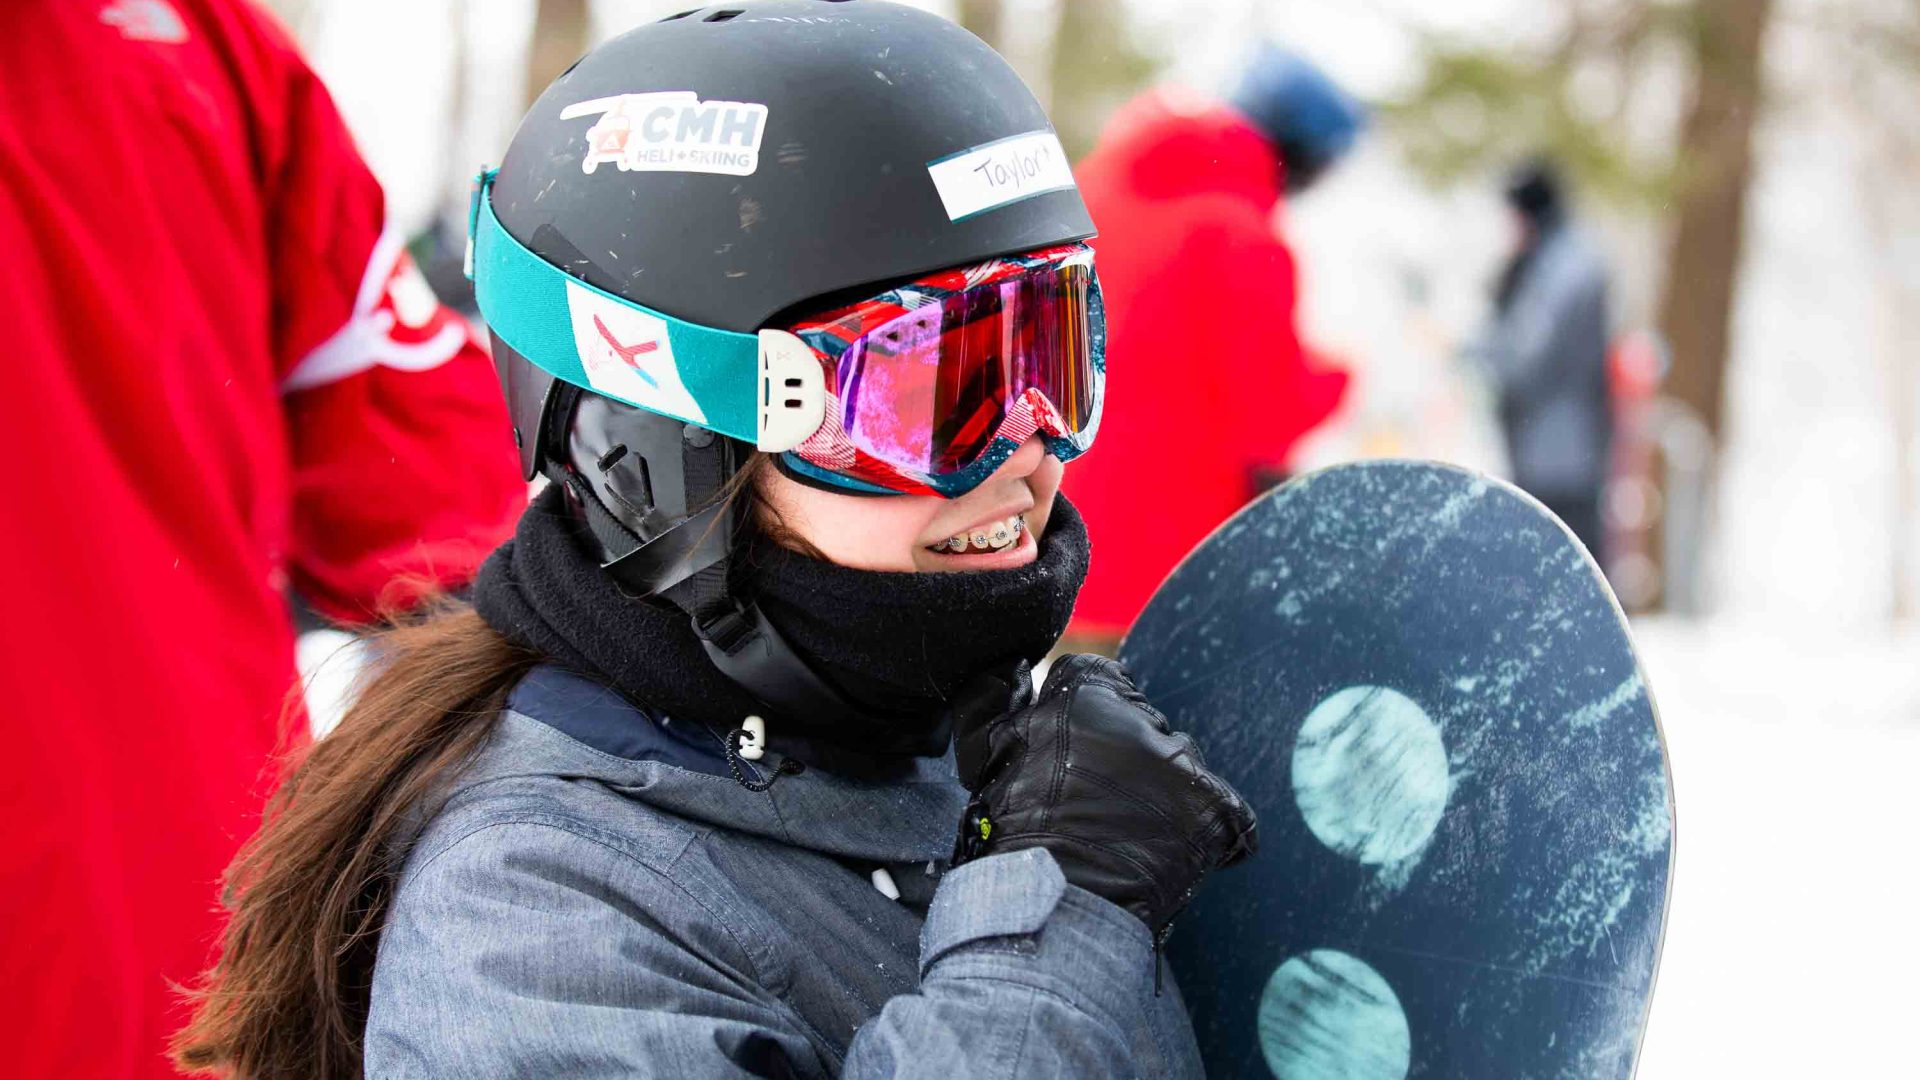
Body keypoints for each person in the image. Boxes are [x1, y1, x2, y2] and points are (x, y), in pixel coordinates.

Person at [172, 4, 1258, 1078]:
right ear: (654, 458)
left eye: (1048, 355)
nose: (1028, 449)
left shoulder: (960, 749)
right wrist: (1058, 919)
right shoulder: (531, 914)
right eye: (928, 392)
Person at [0, 2, 526, 1077]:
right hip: (184, 958)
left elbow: (458, 512)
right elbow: (472, 523)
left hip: (183, 964)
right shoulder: (194, 41)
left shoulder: (205, 48)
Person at [1063, 45, 1363, 644]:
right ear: (1300, 156)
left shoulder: (1090, 189)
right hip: (1171, 573)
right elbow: (1269, 418)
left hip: (1059, 548)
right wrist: (1341, 377)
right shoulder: (1242, 235)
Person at [1473, 159, 1615, 562]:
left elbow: (1527, 355)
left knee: (1563, 563)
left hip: (1560, 452)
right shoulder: (1558, 260)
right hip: (1555, 447)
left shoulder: (1564, 268)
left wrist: (1473, 348)